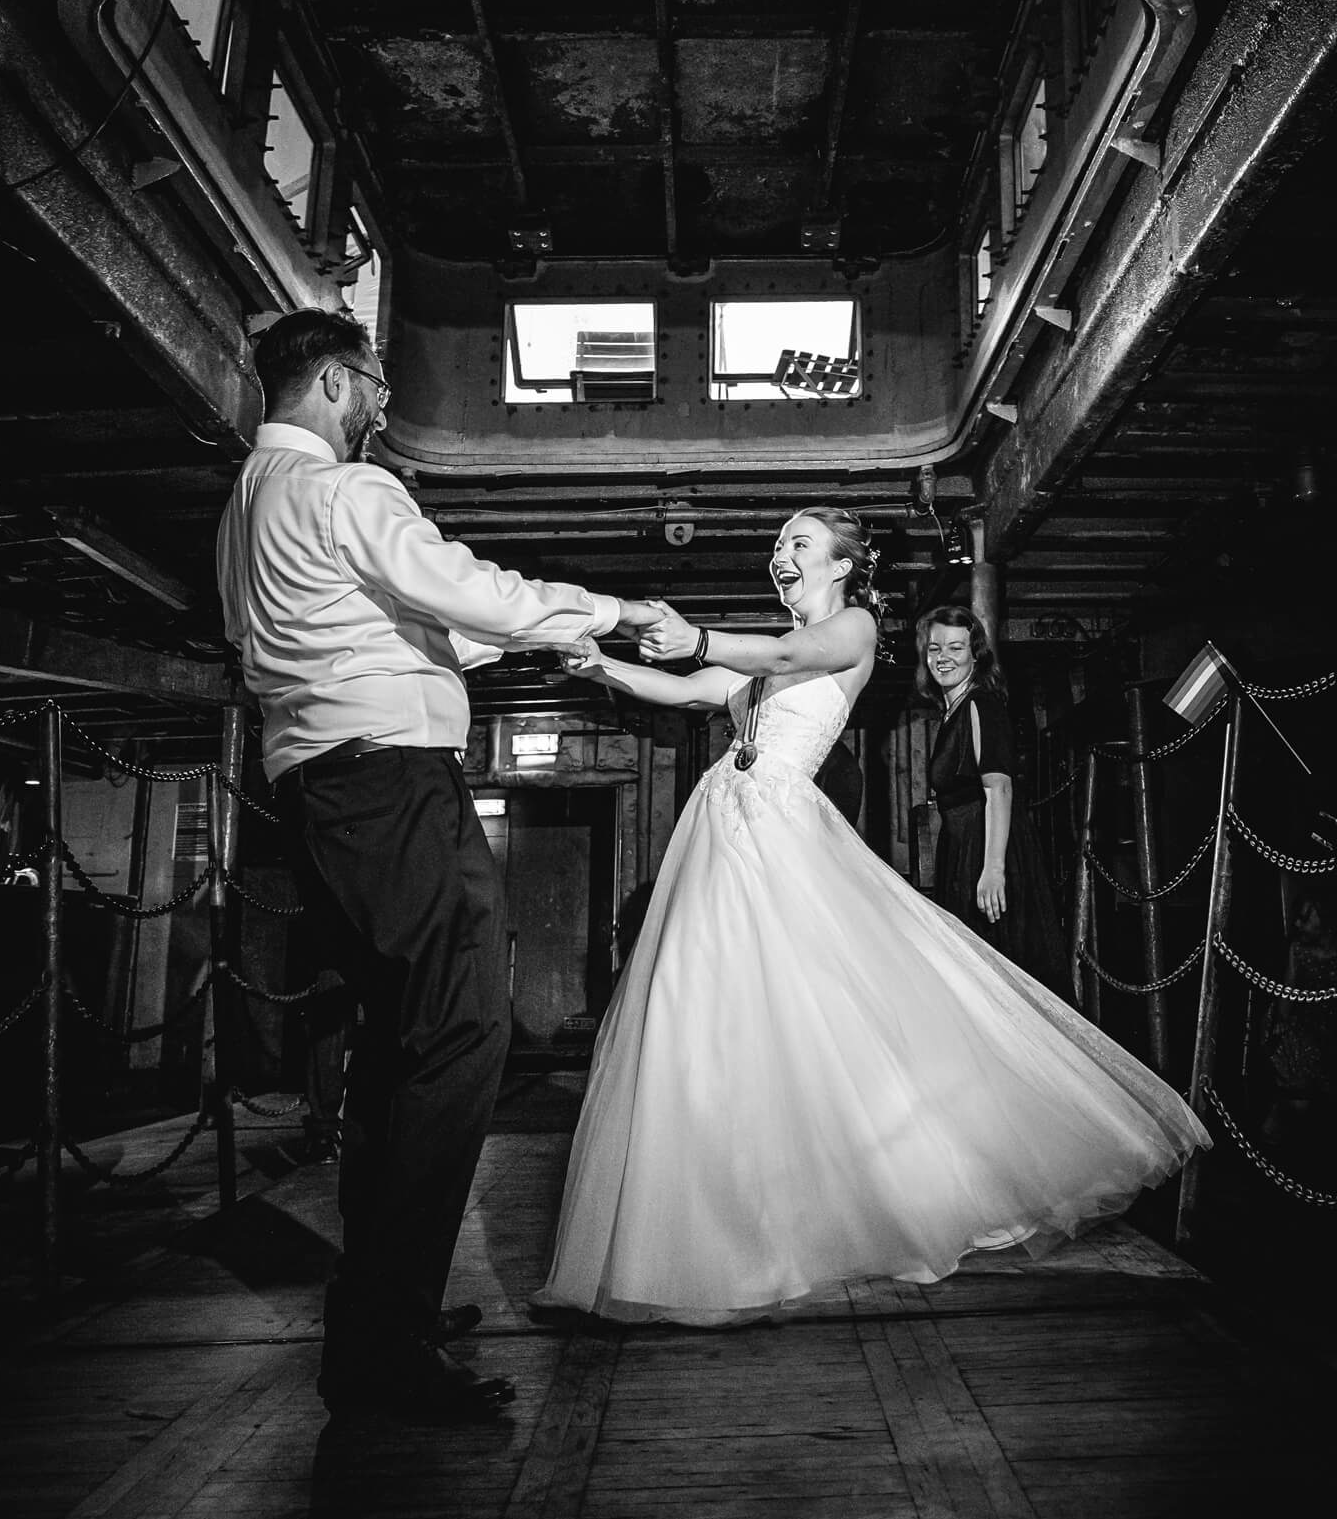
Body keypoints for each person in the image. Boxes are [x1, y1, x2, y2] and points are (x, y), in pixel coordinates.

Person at [534, 507, 1208, 1325]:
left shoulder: (850, 628)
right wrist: (599, 666)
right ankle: (727, 1215)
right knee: (711, 1009)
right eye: (779, 542)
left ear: (844, 565)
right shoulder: (767, 654)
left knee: (825, 1010)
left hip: (778, 833)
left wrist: (700, 638)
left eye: (800, 543)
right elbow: (691, 690)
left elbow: (775, 654)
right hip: (723, 829)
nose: (782, 552)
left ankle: (896, 1180)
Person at [216, 308, 658, 1416]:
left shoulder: (248, 508)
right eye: (370, 384)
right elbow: (453, 586)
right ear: (329, 381)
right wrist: (606, 610)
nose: (380, 406)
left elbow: (396, 624)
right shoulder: (346, 490)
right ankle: (384, 1336)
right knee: (465, 1030)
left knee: (400, 1041)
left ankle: (382, 1308)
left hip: (320, 789)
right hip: (392, 784)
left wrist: (546, 635)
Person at [917, 604, 1068, 995]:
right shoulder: (952, 710)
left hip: (987, 850)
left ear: (975, 655)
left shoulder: (980, 705)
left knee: (997, 974)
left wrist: (994, 868)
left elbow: (998, 788)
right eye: (935, 649)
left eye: (956, 648)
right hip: (962, 849)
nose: (943, 658)